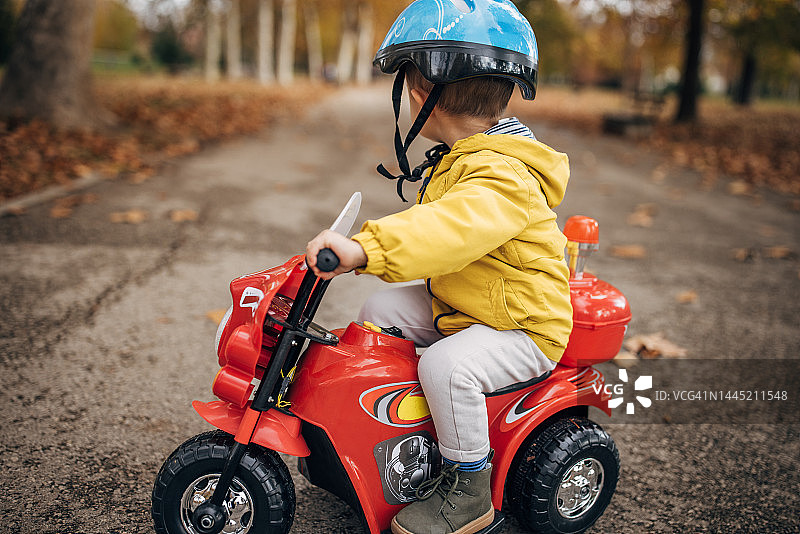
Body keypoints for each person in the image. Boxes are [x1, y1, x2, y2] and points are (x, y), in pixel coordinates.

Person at [306, 1, 572, 533]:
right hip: (470, 302)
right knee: (383, 305)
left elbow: (449, 230)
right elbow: (439, 230)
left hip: (522, 326)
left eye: (405, 84)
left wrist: (366, 249)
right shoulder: (467, 157)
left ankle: (467, 490)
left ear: (422, 92)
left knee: (447, 366)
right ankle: (399, 420)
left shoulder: (504, 176)